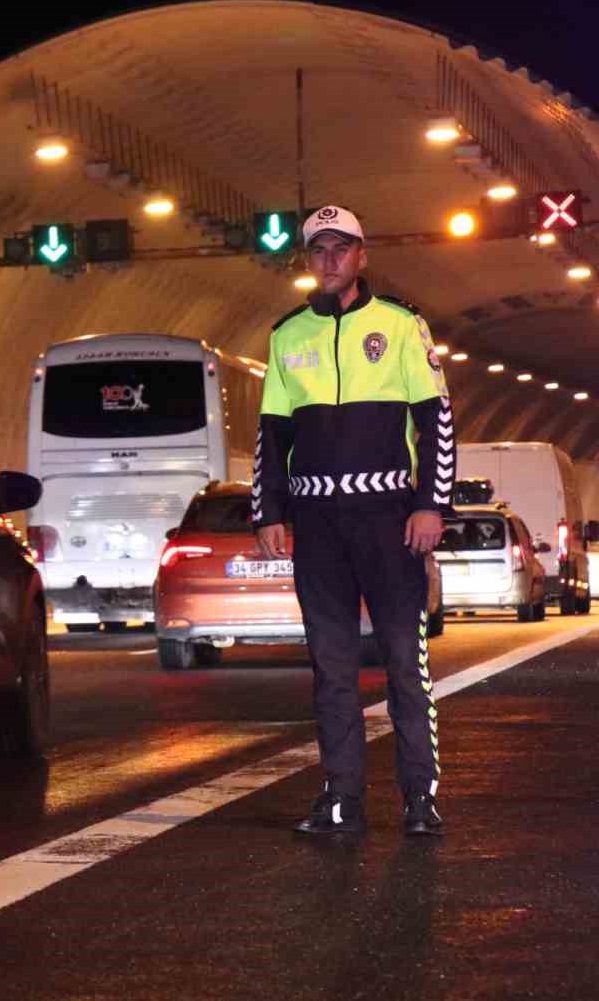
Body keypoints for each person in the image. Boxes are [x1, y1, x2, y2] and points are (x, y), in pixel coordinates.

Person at [251, 205, 452, 838]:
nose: (331, 259)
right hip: (318, 527)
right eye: (319, 250)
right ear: (308, 260)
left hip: (390, 520)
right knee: (331, 667)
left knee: (402, 659)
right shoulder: (287, 338)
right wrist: (270, 511)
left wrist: (429, 505)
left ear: (362, 255)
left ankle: (420, 799)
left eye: (342, 248)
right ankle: (343, 801)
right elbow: (271, 435)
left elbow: (437, 420)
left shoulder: (400, 326)